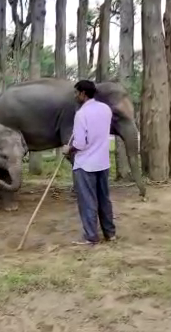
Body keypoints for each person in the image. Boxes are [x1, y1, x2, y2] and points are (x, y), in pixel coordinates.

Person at [63, 80, 116, 245]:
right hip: (102, 162)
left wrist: (68, 149)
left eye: (76, 93)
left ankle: (91, 236)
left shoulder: (81, 114)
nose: (75, 96)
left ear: (83, 94)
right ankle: (110, 234)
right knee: (104, 199)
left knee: (88, 201)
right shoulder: (105, 109)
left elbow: (80, 143)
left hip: (85, 164)